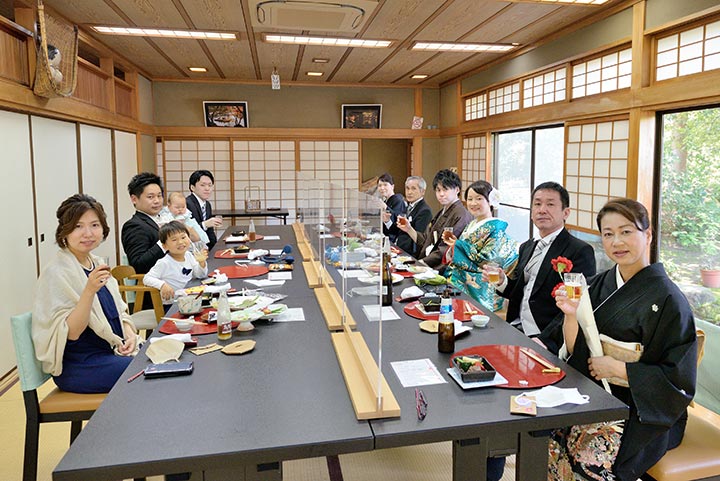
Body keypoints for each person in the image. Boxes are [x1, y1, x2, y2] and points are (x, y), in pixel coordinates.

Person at [545, 198, 697, 481]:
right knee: (545, 436)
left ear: (648, 235)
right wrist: (569, 316)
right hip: (597, 395)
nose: (617, 241)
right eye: (608, 233)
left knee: (588, 457)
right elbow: (578, 350)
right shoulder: (599, 283)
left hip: (645, 411)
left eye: (627, 231)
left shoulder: (669, 300)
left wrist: (620, 369)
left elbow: (679, 380)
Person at [32, 194, 140, 394]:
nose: (88, 233)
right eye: (78, 226)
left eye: (95, 225)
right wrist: (89, 291)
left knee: (163, 358)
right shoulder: (56, 272)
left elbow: (119, 311)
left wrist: (130, 333)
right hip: (80, 365)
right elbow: (71, 333)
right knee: (145, 372)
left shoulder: (97, 263)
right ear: (64, 231)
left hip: (111, 353)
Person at [490, 181, 596, 338]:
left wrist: (546, 341)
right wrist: (501, 281)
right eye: (537, 204)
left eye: (550, 204)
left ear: (566, 213)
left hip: (546, 336)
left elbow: (577, 306)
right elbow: (520, 292)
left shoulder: (579, 251)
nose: (542, 210)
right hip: (515, 327)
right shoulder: (526, 247)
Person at [443, 181, 519, 311]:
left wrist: (458, 245)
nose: (473, 203)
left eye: (479, 199)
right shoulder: (472, 225)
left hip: (482, 281)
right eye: (470, 199)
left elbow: (490, 260)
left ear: (490, 201)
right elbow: (462, 250)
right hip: (462, 274)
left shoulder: (496, 228)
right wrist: (454, 246)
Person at [397, 169, 473, 269]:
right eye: (438, 190)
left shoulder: (461, 215)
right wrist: (408, 229)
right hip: (429, 263)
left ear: (457, 190)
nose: (441, 194)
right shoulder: (442, 211)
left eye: (445, 189)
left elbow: (446, 249)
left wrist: (420, 263)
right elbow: (426, 240)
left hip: (442, 268)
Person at [143, 221, 209, 305]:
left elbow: (199, 275)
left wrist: (201, 263)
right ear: (164, 246)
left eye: (183, 237)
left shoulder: (188, 255)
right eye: (174, 240)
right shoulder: (164, 262)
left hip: (190, 299)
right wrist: (162, 285)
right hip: (172, 304)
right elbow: (147, 278)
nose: (180, 242)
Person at [121, 172, 166, 274]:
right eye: (150, 197)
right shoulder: (134, 226)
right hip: (155, 286)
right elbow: (138, 265)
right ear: (134, 199)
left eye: (159, 196)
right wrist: (165, 242)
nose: (157, 201)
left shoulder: (163, 218)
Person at [390, 176, 432, 254]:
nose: (409, 192)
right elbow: (396, 230)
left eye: (413, 188)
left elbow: (419, 240)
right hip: (397, 248)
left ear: (422, 191)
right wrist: (387, 220)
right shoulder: (408, 206)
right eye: (407, 188)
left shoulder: (425, 211)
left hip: (409, 253)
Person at [186, 170, 223, 250]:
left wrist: (215, 249)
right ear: (192, 187)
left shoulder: (207, 205)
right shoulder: (187, 203)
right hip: (191, 250)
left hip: (204, 249)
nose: (207, 188)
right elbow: (185, 231)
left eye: (210, 185)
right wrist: (204, 224)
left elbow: (210, 231)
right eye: (203, 185)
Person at [377, 173, 406, 242]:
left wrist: (385, 207)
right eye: (380, 185)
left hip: (395, 239)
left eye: (385, 185)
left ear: (392, 186)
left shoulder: (398, 200)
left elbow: (397, 220)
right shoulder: (386, 201)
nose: (382, 188)